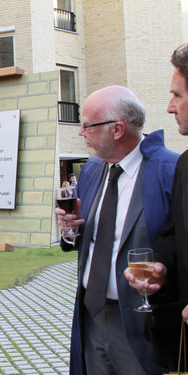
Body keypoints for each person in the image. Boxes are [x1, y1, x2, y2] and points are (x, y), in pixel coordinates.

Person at [55, 85, 179, 374]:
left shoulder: (171, 172)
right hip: (92, 316)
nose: (80, 132)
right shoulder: (91, 170)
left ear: (117, 129)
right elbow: (88, 237)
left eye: (86, 125)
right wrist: (70, 230)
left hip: (144, 326)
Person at [125, 42, 188, 370]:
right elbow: (174, 236)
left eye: (177, 95)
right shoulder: (186, 166)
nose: (169, 107)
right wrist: (162, 268)